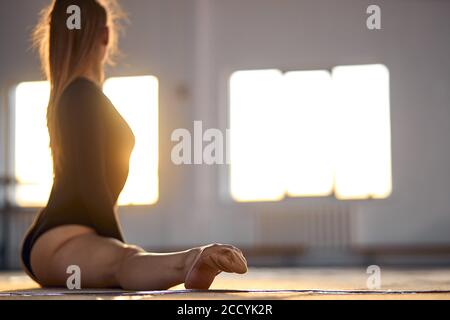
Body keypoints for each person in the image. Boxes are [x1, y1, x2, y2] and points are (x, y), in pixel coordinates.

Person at [21, 0, 247, 290]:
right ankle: (193, 259)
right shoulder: (80, 96)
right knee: (123, 262)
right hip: (61, 238)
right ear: (105, 35)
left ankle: (190, 259)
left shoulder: (76, 94)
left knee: (125, 259)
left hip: (62, 235)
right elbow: (91, 182)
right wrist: (114, 244)